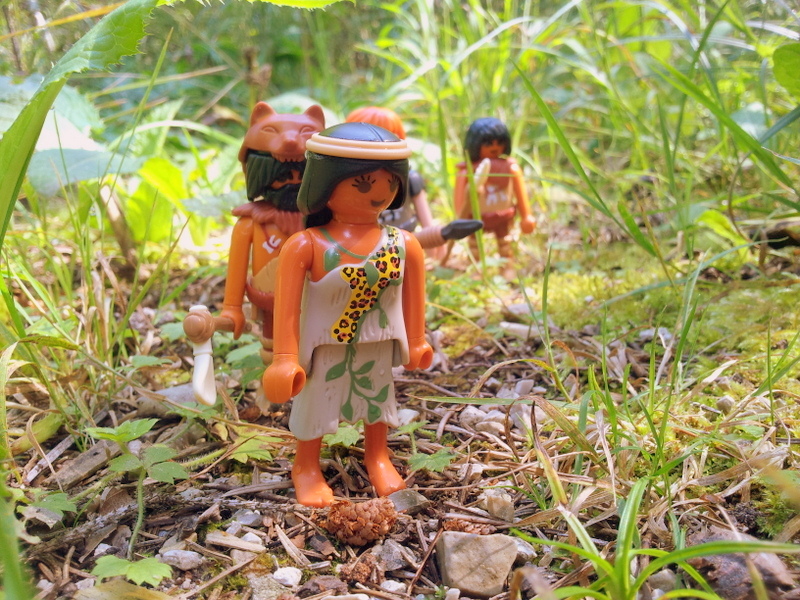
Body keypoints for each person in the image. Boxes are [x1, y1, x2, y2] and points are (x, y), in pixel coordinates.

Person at [263, 122, 433, 507]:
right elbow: (287, 308)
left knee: (377, 400)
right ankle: (306, 466)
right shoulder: (307, 245)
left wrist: (417, 341)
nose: (379, 192)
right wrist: (284, 358)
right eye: (363, 183)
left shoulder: (403, 244)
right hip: (325, 345)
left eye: (389, 182)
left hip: (378, 341)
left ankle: (378, 457)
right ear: (326, 182)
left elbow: (413, 297)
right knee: (316, 403)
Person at [346, 106, 481, 259]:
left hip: (403, 237)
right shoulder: (347, 182)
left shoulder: (409, 178)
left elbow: (427, 221)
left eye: (389, 135)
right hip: (364, 246)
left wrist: (436, 257)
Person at [454, 117, 535, 267]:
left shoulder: (510, 169)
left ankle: (506, 267)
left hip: (502, 216)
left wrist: (526, 216)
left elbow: (520, 192)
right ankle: (476, 269)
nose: (495, 147)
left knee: (504, 242)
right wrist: (459, 220)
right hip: (476, 216)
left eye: (500, 142)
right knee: (475, 245)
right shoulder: (467, 172)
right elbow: (460, 199)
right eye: (488, 143)